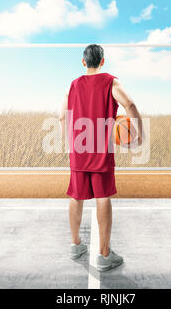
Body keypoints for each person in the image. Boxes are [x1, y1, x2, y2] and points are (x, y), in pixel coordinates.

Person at [59, 44, 143, 272]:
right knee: (102, 196)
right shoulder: (111, 82)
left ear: (84, 62)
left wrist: (69, 143)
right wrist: (139, 133)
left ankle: (75, 245)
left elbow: (61, 116)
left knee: (76, 195)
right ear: (103, 61)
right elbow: (130, 104)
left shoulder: (73, 85)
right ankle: (104, 256)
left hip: (78, 147)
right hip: (100, 150)